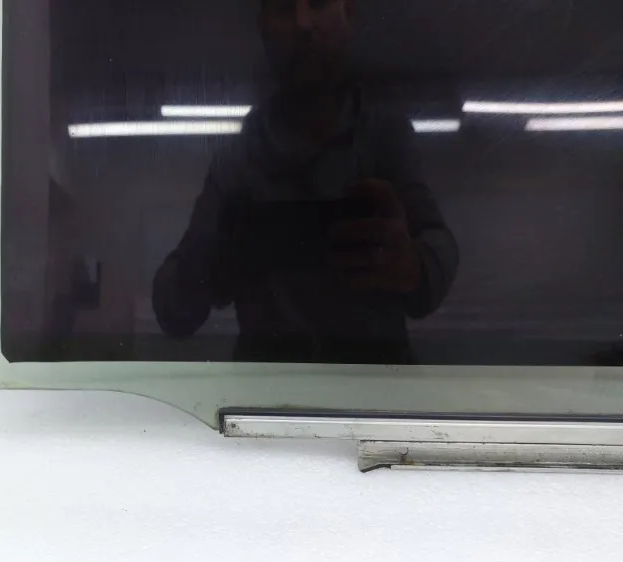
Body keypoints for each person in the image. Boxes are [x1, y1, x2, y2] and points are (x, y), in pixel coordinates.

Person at [152, 0, 459, 364]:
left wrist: (411, 265)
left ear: (348, 14)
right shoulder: (239, 158)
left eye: (318, 2)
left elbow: (438, 247)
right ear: (263, 25)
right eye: (284, 7)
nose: (302, 23)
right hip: (318, 385)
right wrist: (213, 265)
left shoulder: (384, 136)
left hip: (340, 383)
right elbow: (173, 308)